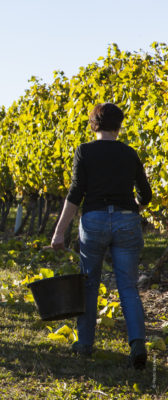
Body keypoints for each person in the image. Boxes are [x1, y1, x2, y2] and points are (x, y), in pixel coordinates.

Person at [51, 103, 152, 369]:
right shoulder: (129, 154)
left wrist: (59, 232)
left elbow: (75, 195)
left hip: (94, 220)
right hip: (127, 221)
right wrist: (131, 209)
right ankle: (138, 343)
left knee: (89, 283)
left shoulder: (84, 151)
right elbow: (147, 195)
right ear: (119, 125)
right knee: (128, 286)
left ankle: (85, 344)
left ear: (93, 124)